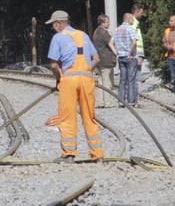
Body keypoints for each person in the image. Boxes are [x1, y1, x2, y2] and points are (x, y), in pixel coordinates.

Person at [44, 10, 104, 163]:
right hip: (86, 79)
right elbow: (96, 58)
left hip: (69, 80)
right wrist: (86, 69)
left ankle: (69, 154)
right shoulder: (83, 35)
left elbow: (54, 65)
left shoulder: (58, 37)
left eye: (53, 25)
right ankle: (97, 155)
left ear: (59, 24)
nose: (53, 28)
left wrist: (59, 78)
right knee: (89, 117)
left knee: (67, 117)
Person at [110, 12, 139, 108]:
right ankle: (131, 101)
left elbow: (110, 43)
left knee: (122, 80)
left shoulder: (116, 30)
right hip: (129, 57)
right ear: (128, 18)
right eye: (132, 18)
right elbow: (134, 43)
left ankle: (121, 101)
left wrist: (116, 53)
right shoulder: (131, 29)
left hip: (121, 57)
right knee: (131, 79)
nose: (133, 20)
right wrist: (130, 53)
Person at [92, 14, 117, 108]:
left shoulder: (96, 31)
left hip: (99, 59)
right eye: (107, 22)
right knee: (108, 82)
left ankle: (100, 101)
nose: (109, 23)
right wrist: (116, 53)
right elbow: (110, 43)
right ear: (102, 23)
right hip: (106, 60)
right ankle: (108, 102)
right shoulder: (103, 32)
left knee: (101, 81)